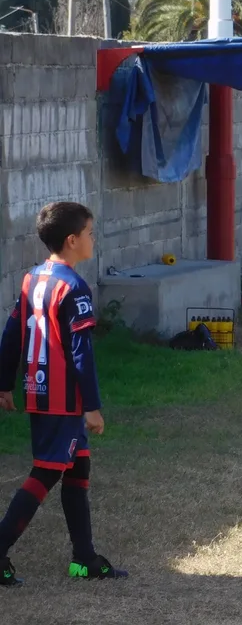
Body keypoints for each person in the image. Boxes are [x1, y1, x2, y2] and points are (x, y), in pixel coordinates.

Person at [0, 202, 127, 586]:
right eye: (90, 233)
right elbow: (80, 353)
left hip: (38, 389)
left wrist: (5, 382)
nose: (93, 239)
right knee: (46, 472)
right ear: (72, 241)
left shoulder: (32, 279)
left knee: (78, 466)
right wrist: (91, 407)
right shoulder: (74, 287)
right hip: (63, 398)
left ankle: (84, 559)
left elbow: (11, 334)